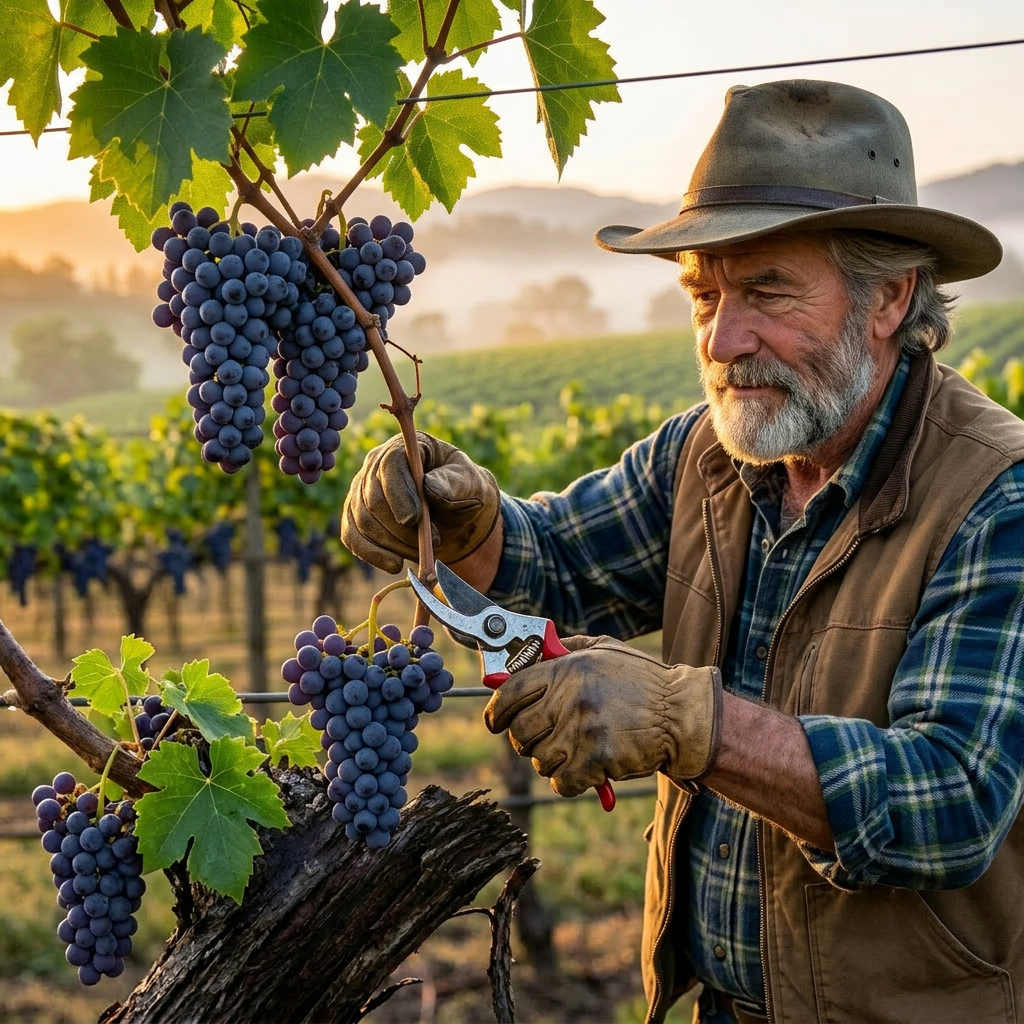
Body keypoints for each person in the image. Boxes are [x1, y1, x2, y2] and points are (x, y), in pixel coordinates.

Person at [341, 80, 1024, 1024]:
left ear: (890, 297)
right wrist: (465, 523)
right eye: (702, 294)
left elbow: (951, 800)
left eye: (766, 293)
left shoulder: (998, 495)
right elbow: (558, 563)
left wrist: (688, 722)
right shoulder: (707, 454)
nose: (722, 338)